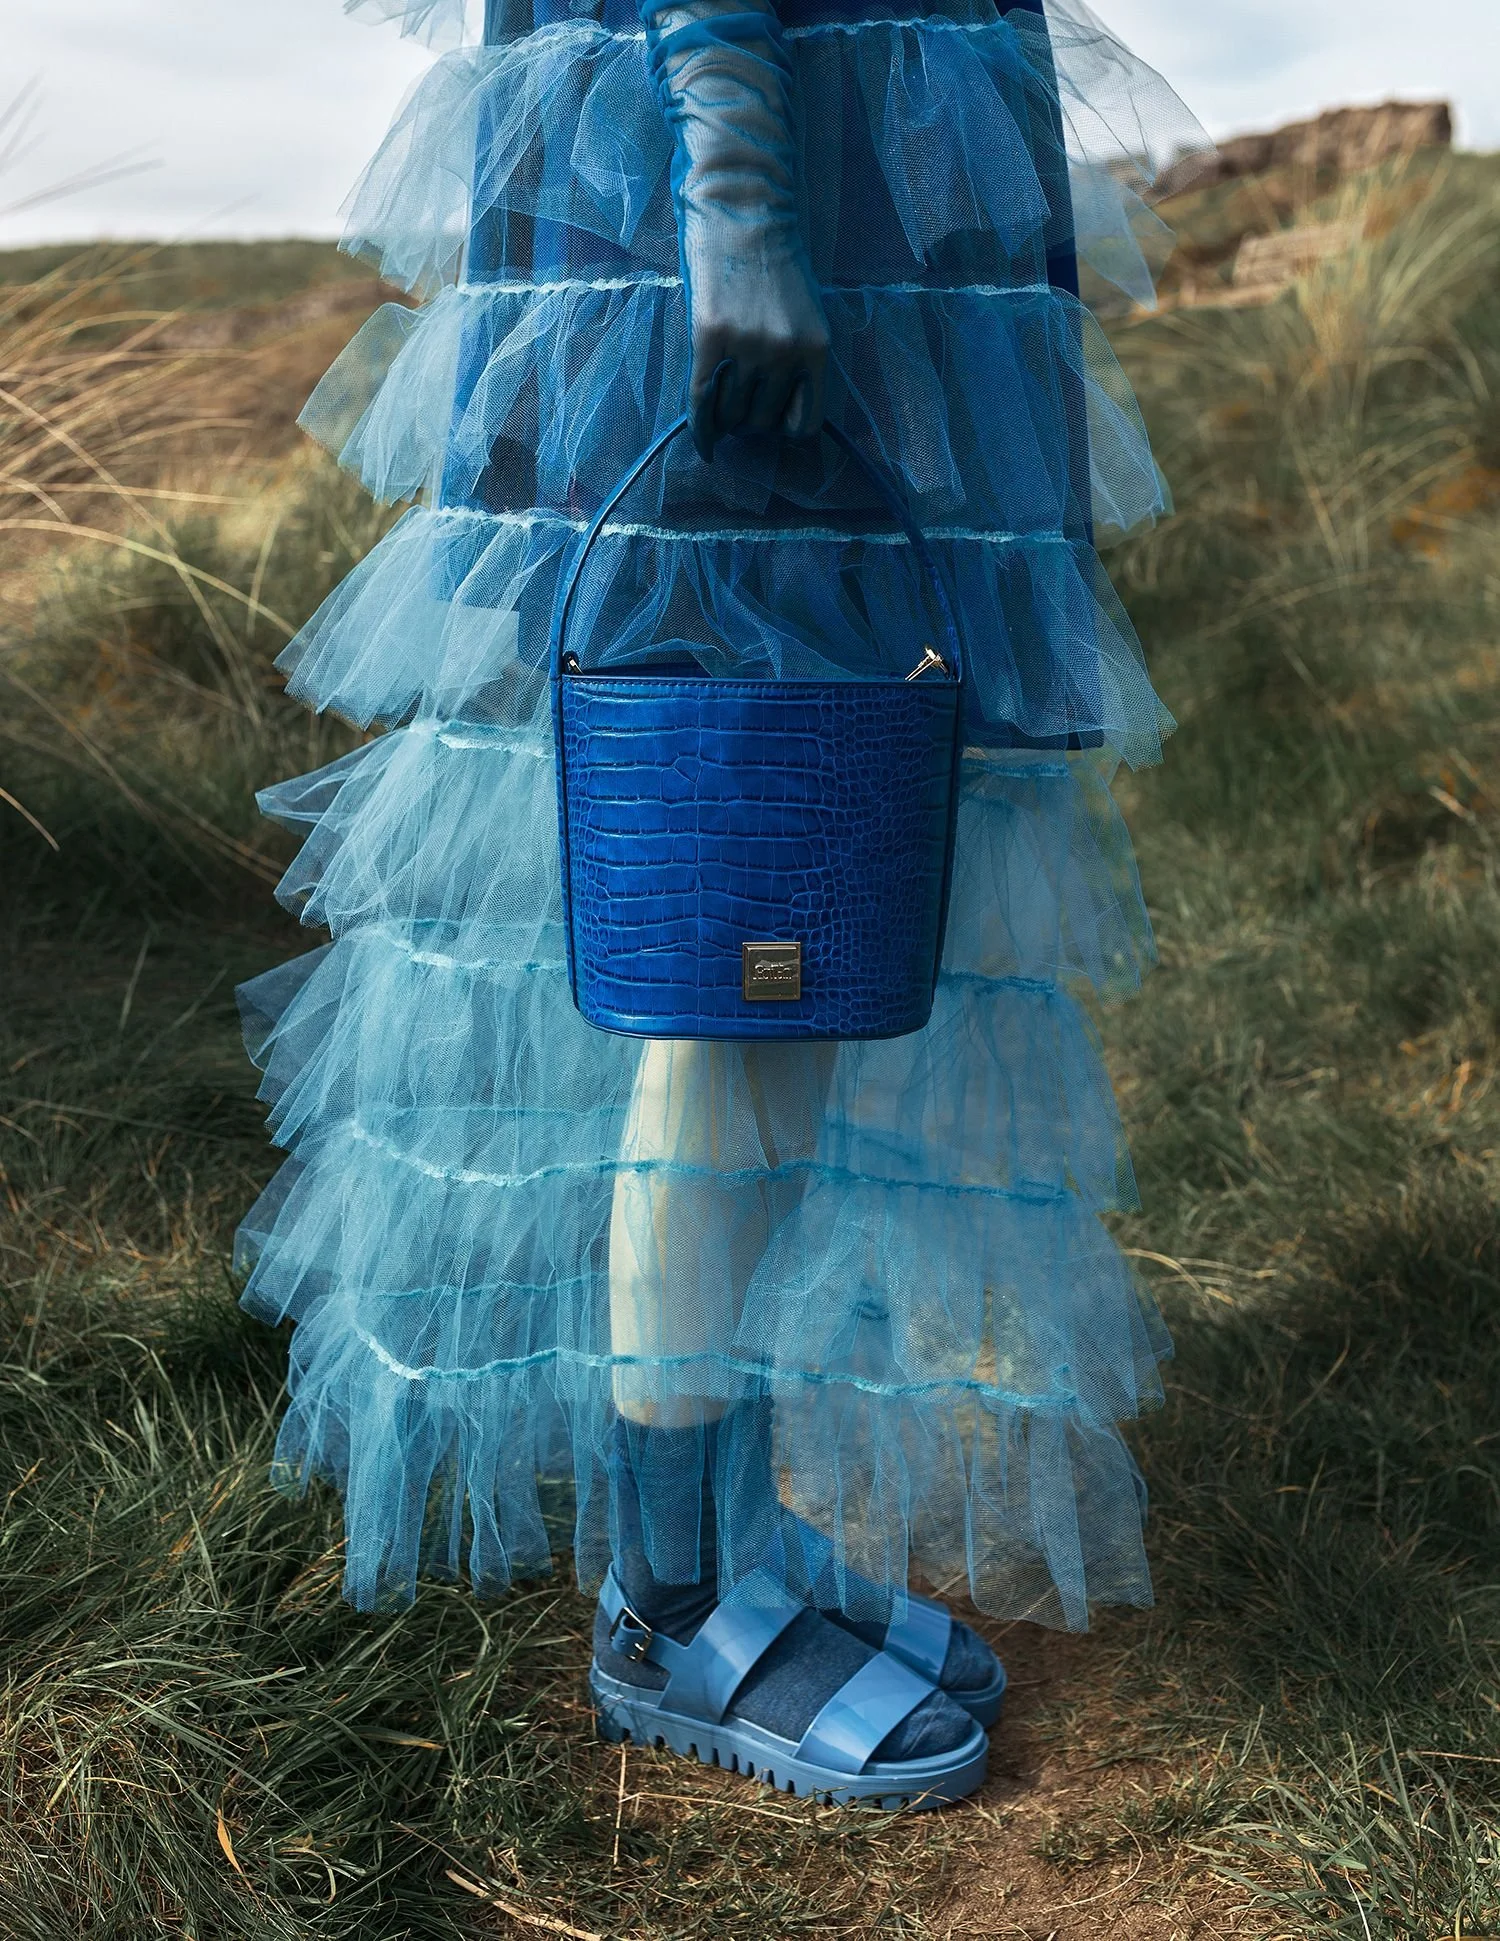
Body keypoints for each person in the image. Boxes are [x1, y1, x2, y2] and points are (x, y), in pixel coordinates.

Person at [237, 0, 1204, 1808]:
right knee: (742, 895)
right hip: (756, 159)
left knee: (802, 887)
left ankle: (723, 1535)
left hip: (820, 151)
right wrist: (737, 187)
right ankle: (672, 1604)